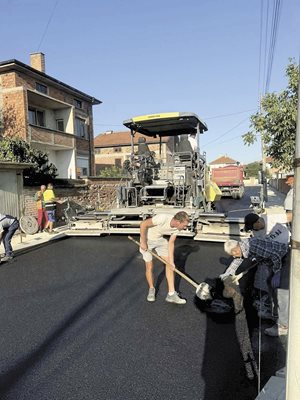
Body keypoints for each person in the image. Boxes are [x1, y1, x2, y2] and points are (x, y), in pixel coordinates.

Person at [242, 212, 290, 319]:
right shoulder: (256, 233)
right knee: (270, 281)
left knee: (281, 286)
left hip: (286, 252)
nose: (252, 230)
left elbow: (292, 216)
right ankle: (272, 306)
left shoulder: (272, 218)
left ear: (258, 221)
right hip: (273, 257)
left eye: (252, 227)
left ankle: (281, 318)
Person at [139, 211, 189, 304]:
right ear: (178, 222)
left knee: (169, 264)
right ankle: (151, 289)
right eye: (184, 225)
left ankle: (171, 294)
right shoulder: (162, 218)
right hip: (147, 240)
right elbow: (143, 224)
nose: (185, 228)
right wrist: (143, 242)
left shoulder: (177, 228)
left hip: (160, 240)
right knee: (149, 266)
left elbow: (171, 243)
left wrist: (172, 262)